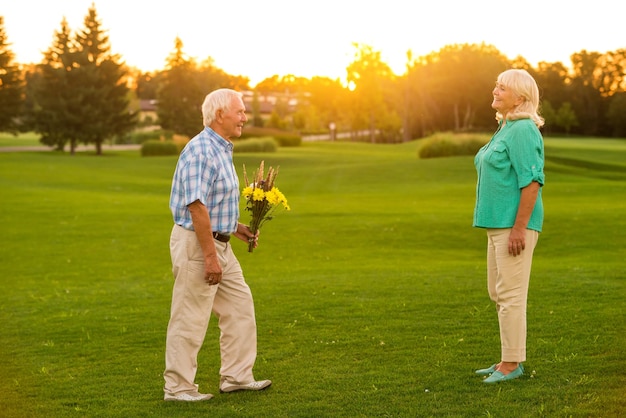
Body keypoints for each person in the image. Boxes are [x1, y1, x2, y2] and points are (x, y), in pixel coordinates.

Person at [163, 88, 272, 401]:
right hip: (199, 247)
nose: (244, 117)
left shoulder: (221, 148)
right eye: (239, 111)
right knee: (190, 316)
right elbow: (195, 206)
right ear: (220, 114)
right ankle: (179, 388)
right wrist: (210, 257)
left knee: (239, 307)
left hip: (218, 243)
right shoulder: (200, 151)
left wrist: (233, 227)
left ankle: (236, 377)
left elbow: (210, 202)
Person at [472, 69, 545, 384]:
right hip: (495, 225)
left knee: (511, 295)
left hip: (514, 227)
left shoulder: (523, 131)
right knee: (497, 292)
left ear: (521, 98)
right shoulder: (505, 128)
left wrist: (519, 229)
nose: (496, 90)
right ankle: (506, 358)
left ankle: (511, 363)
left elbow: (532, 182)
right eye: (496, 84)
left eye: (503, 87)